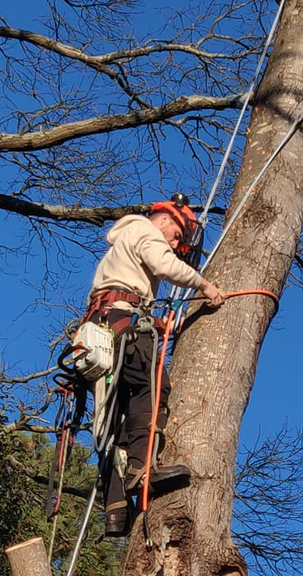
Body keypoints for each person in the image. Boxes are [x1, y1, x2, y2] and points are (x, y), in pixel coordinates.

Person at [85, 196, 224, 536]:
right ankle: (142, 468)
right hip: (121, 323)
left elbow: (127, 292)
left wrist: (158, 323)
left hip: (107, 326)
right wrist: (204, 284)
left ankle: (116, 506)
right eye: (176, 235)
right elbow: (164, 265)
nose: (176, 245)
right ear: (163, 218)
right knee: (151, 387)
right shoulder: (145, 231)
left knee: (116, 416)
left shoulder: (124, 244)